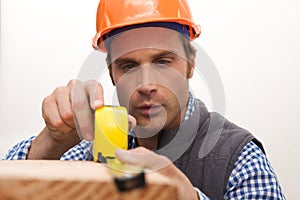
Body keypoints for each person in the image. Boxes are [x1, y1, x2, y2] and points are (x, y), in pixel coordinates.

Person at [4, 0, 285, 199]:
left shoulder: (238, 157)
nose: (146, 84)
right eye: (128, 66)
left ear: (189, 64)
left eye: (163, 61)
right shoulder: (92, 149)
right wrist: (50, 143)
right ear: (112, 73)